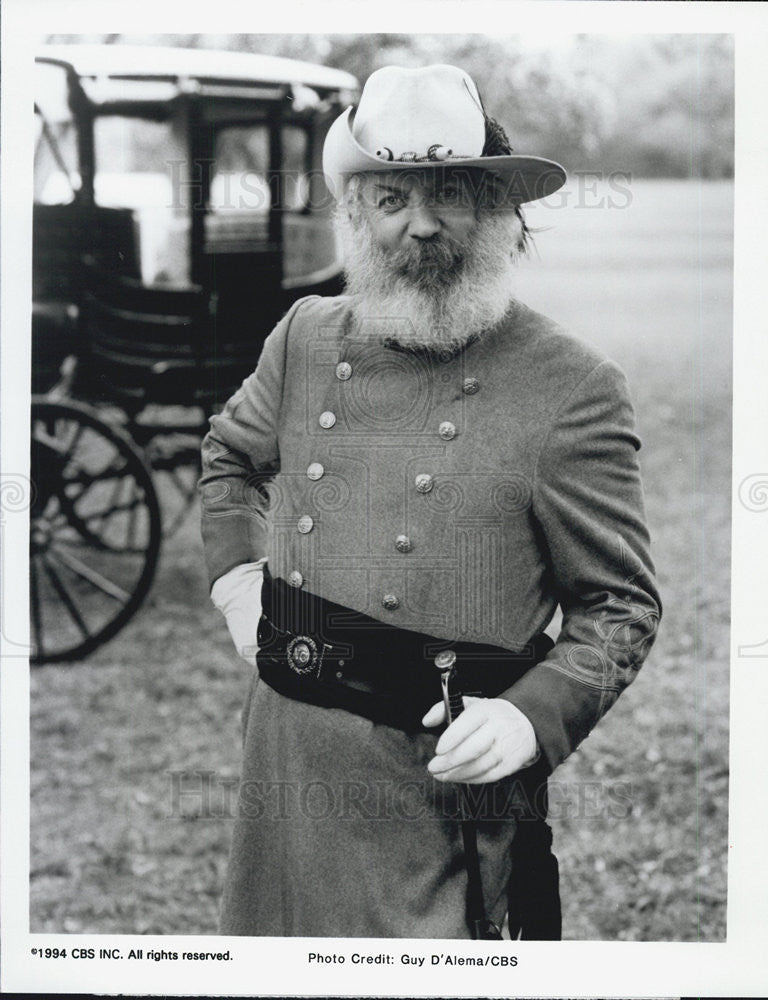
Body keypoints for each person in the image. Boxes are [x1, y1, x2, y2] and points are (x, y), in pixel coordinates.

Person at [198, 63, 661, 940]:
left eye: (450, 193)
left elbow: (621, 608)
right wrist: (236, 584)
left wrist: (530, 718)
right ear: (355, 214)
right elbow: (230, 455)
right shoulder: (302, 337)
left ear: (497, 210)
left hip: (435, 791)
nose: (420, 224)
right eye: (390, 198)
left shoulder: (574, 387)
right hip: (285, 760)